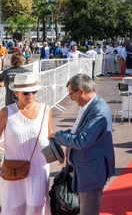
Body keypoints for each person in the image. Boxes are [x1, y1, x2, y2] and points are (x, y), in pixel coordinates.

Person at [53, 74, 115, 215]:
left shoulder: (98, 109)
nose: (71, 98)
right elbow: (78, 132)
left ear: (81, 91)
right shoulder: (91, 106)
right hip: (86, 168)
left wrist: (59, 136)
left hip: (92, 171)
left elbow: (83, 140)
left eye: (71, 94)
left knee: (88, 211)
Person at [0, 73, 52, 214]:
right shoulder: (6, 112)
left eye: (34, 91)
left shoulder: (46, 110)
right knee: (14, 207)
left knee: (36, 207)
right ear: (16, 93)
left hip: (39, 168)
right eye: (26, 92)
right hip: (13, 169)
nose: (31, 95)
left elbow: (50, 137)